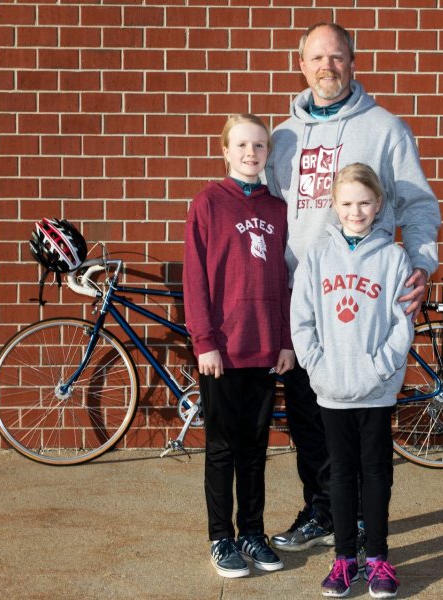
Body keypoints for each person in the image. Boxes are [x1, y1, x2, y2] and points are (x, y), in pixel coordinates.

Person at [265, 21, 441, 554]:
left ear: (353, 62)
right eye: (317, 58)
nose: (327, 67)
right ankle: (322, 510)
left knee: (365, 426)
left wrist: (420, 265)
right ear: (301, 65)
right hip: (304, 297)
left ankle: (365, 521)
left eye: (337, 57)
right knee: (307, 415)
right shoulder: (282, 137)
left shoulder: (386, 129)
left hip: (365, 303)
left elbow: (419, 204)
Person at [290, 163, 412, 598]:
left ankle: (378, 559)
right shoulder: (317, 258)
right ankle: (344, 560)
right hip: (332, 389)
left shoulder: (394, 258)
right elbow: (301, 320)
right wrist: (317, 367)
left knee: (377, 472)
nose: (355, 211)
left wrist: (380, 368)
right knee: (340, 474)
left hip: (377, 390)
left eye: (364, 203)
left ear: (378, 205)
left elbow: (403, 323)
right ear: (334, 206)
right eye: (347, 203)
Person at [183, 113, 296, 579]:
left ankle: (252, 530)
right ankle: (220, 537)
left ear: (269, 154)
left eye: (260, 146)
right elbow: (195, 279)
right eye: (243, 145)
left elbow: (291, 281)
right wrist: (204, 341)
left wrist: (287, 341)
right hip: (223, 351)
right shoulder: (208, 203)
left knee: (255, 449)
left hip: (266, 347)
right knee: (223, 448)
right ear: (225, 151)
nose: (252, 154)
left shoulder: (278, 208)